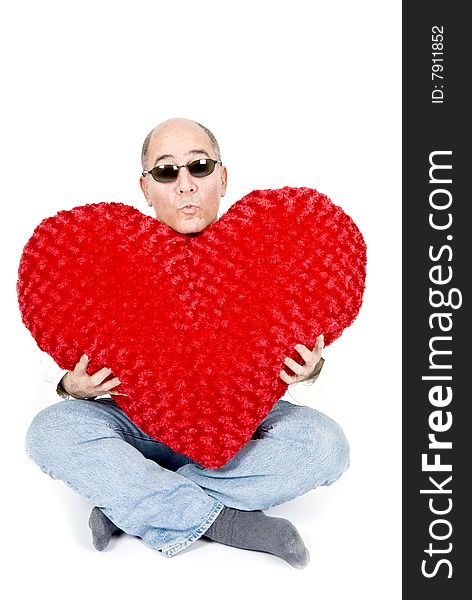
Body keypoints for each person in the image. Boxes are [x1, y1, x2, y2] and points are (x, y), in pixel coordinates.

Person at [25, 118, 350, 569]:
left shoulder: (266, 253)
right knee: (49, 432)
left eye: (199, 167)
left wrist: (311, 369)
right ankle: (226, 522)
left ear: (222, 177)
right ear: (146, 188)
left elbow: (296, 337)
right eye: (166, 171)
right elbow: (73, 342)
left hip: (240, 421)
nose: (185, 185)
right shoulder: (115, 256)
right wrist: (70, 387)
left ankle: (134, 504)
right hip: (137, 417)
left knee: (325, 446)